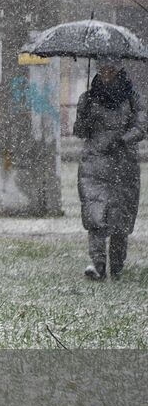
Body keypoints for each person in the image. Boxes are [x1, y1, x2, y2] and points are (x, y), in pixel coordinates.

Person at [73, 57, 145, 281]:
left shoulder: (133, 98)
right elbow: (80, 131)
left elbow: (142, 126)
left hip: (123, 165)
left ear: (118, 70)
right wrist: (83, 117)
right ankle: (98, 264)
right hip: (94, 163)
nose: (106, 72)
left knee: (120, 219)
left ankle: (117, 266)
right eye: (102, 68)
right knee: (95, 216)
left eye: (110, 68)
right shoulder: (88, 97)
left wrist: (123, 140)